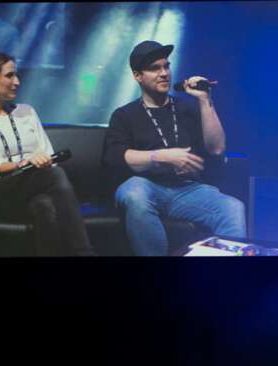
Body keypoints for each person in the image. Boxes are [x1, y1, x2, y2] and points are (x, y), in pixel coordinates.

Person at [102, 40, 246, 256]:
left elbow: (217, 148)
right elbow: (116, 157)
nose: (163, 73)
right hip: (145, 186)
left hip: (186, 190)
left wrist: (205, 100)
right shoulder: (124, 115)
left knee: (232, 208)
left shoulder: (186, 109)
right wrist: (161, 157)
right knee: (134, 193)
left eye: (166, 66)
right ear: (137, 76)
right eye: (154, 68)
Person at [0, 51, 94, 256]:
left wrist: (41, 162)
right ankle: (85, 253)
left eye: (17, 75)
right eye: (10, 76)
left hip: (35, 185)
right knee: (54, 175)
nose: (17, 82)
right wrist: (23, 163)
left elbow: (47, 153)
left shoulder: (27, 111)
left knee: (44, 205)